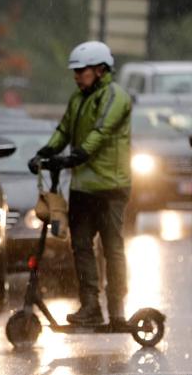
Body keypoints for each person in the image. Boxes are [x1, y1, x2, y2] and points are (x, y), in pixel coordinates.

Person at [28, 41, 132, 327]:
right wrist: (45, 153)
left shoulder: (116, 96)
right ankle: (90, 306)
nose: (76, 76)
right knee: (81, 246)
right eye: (75, 71)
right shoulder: (77, 98)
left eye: (82, 71)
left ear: (100, 70)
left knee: (112, 248)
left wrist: (76, 156)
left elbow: (101, 132)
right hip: (83, 187)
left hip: (111, 187)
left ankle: (117, 309)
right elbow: (63, 130)